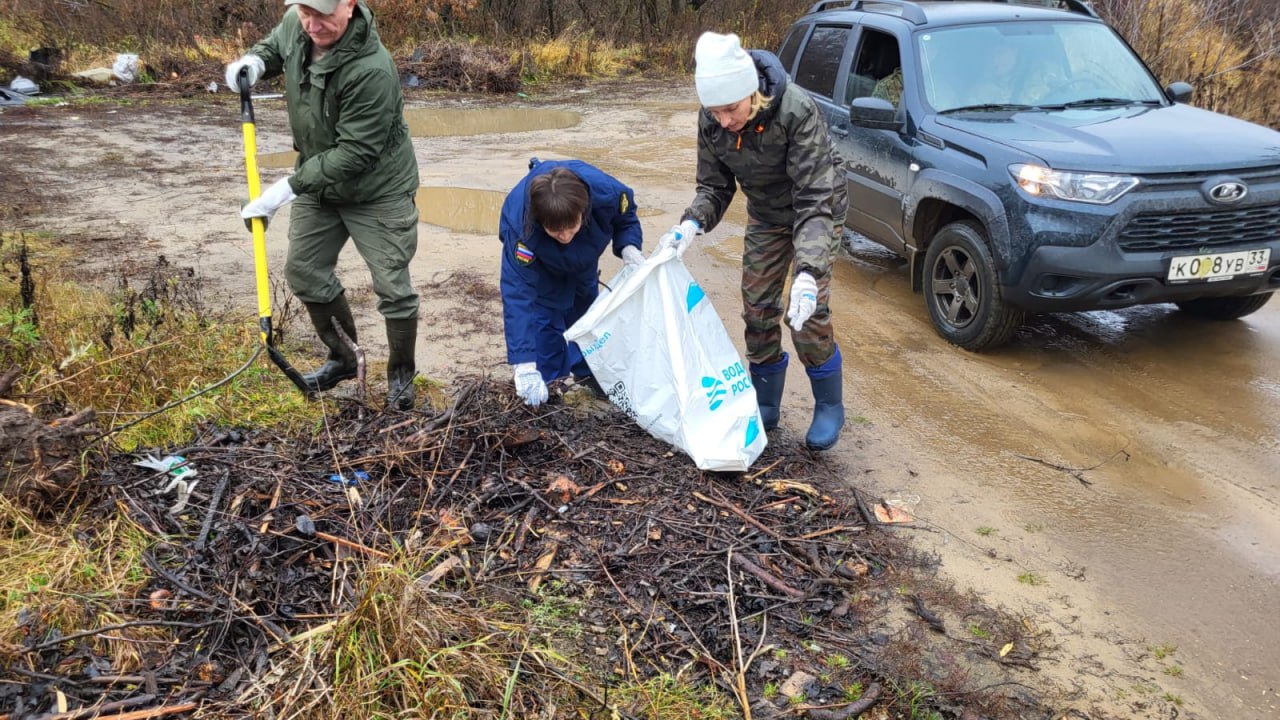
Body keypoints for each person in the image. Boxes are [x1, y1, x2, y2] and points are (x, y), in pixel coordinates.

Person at [225, 0, 421, 410]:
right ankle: (344, 358)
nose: (314, 26)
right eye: (305, 14)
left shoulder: (372, 69)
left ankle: (402, 375)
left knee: (393, 290)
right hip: (319, 183)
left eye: (324, 15)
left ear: (349, 5)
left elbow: (355, 152)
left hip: (377, 190)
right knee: (304, 271)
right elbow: (276, 46)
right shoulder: (297, 26)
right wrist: (256, 62)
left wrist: (285, 189)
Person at [668, 31, 846, 451]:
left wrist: (807, 271)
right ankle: (766, 403)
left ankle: (829, 406)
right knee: (758, 307)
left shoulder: (796, 110)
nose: (725, 121)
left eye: (731, 109)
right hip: (767, 214)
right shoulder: (712, 120)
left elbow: (816, 199)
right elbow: (714, 187)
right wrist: (690, 224)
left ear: (752, 93)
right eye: (715, 111)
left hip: (816, 207)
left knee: (808, 310)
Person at [500, 158, 644, 407]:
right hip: (543, 267)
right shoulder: (521, 230)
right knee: (546, 324)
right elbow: (517, 294)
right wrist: (523, 362)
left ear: (583, 210)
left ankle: (589, 373)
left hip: (584, 261)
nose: (565, 237)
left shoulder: (606, 194)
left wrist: (629, 246)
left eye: (571, 227)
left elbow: (626, 218)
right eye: (556, 231)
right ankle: (552, 387)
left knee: (585, 317)